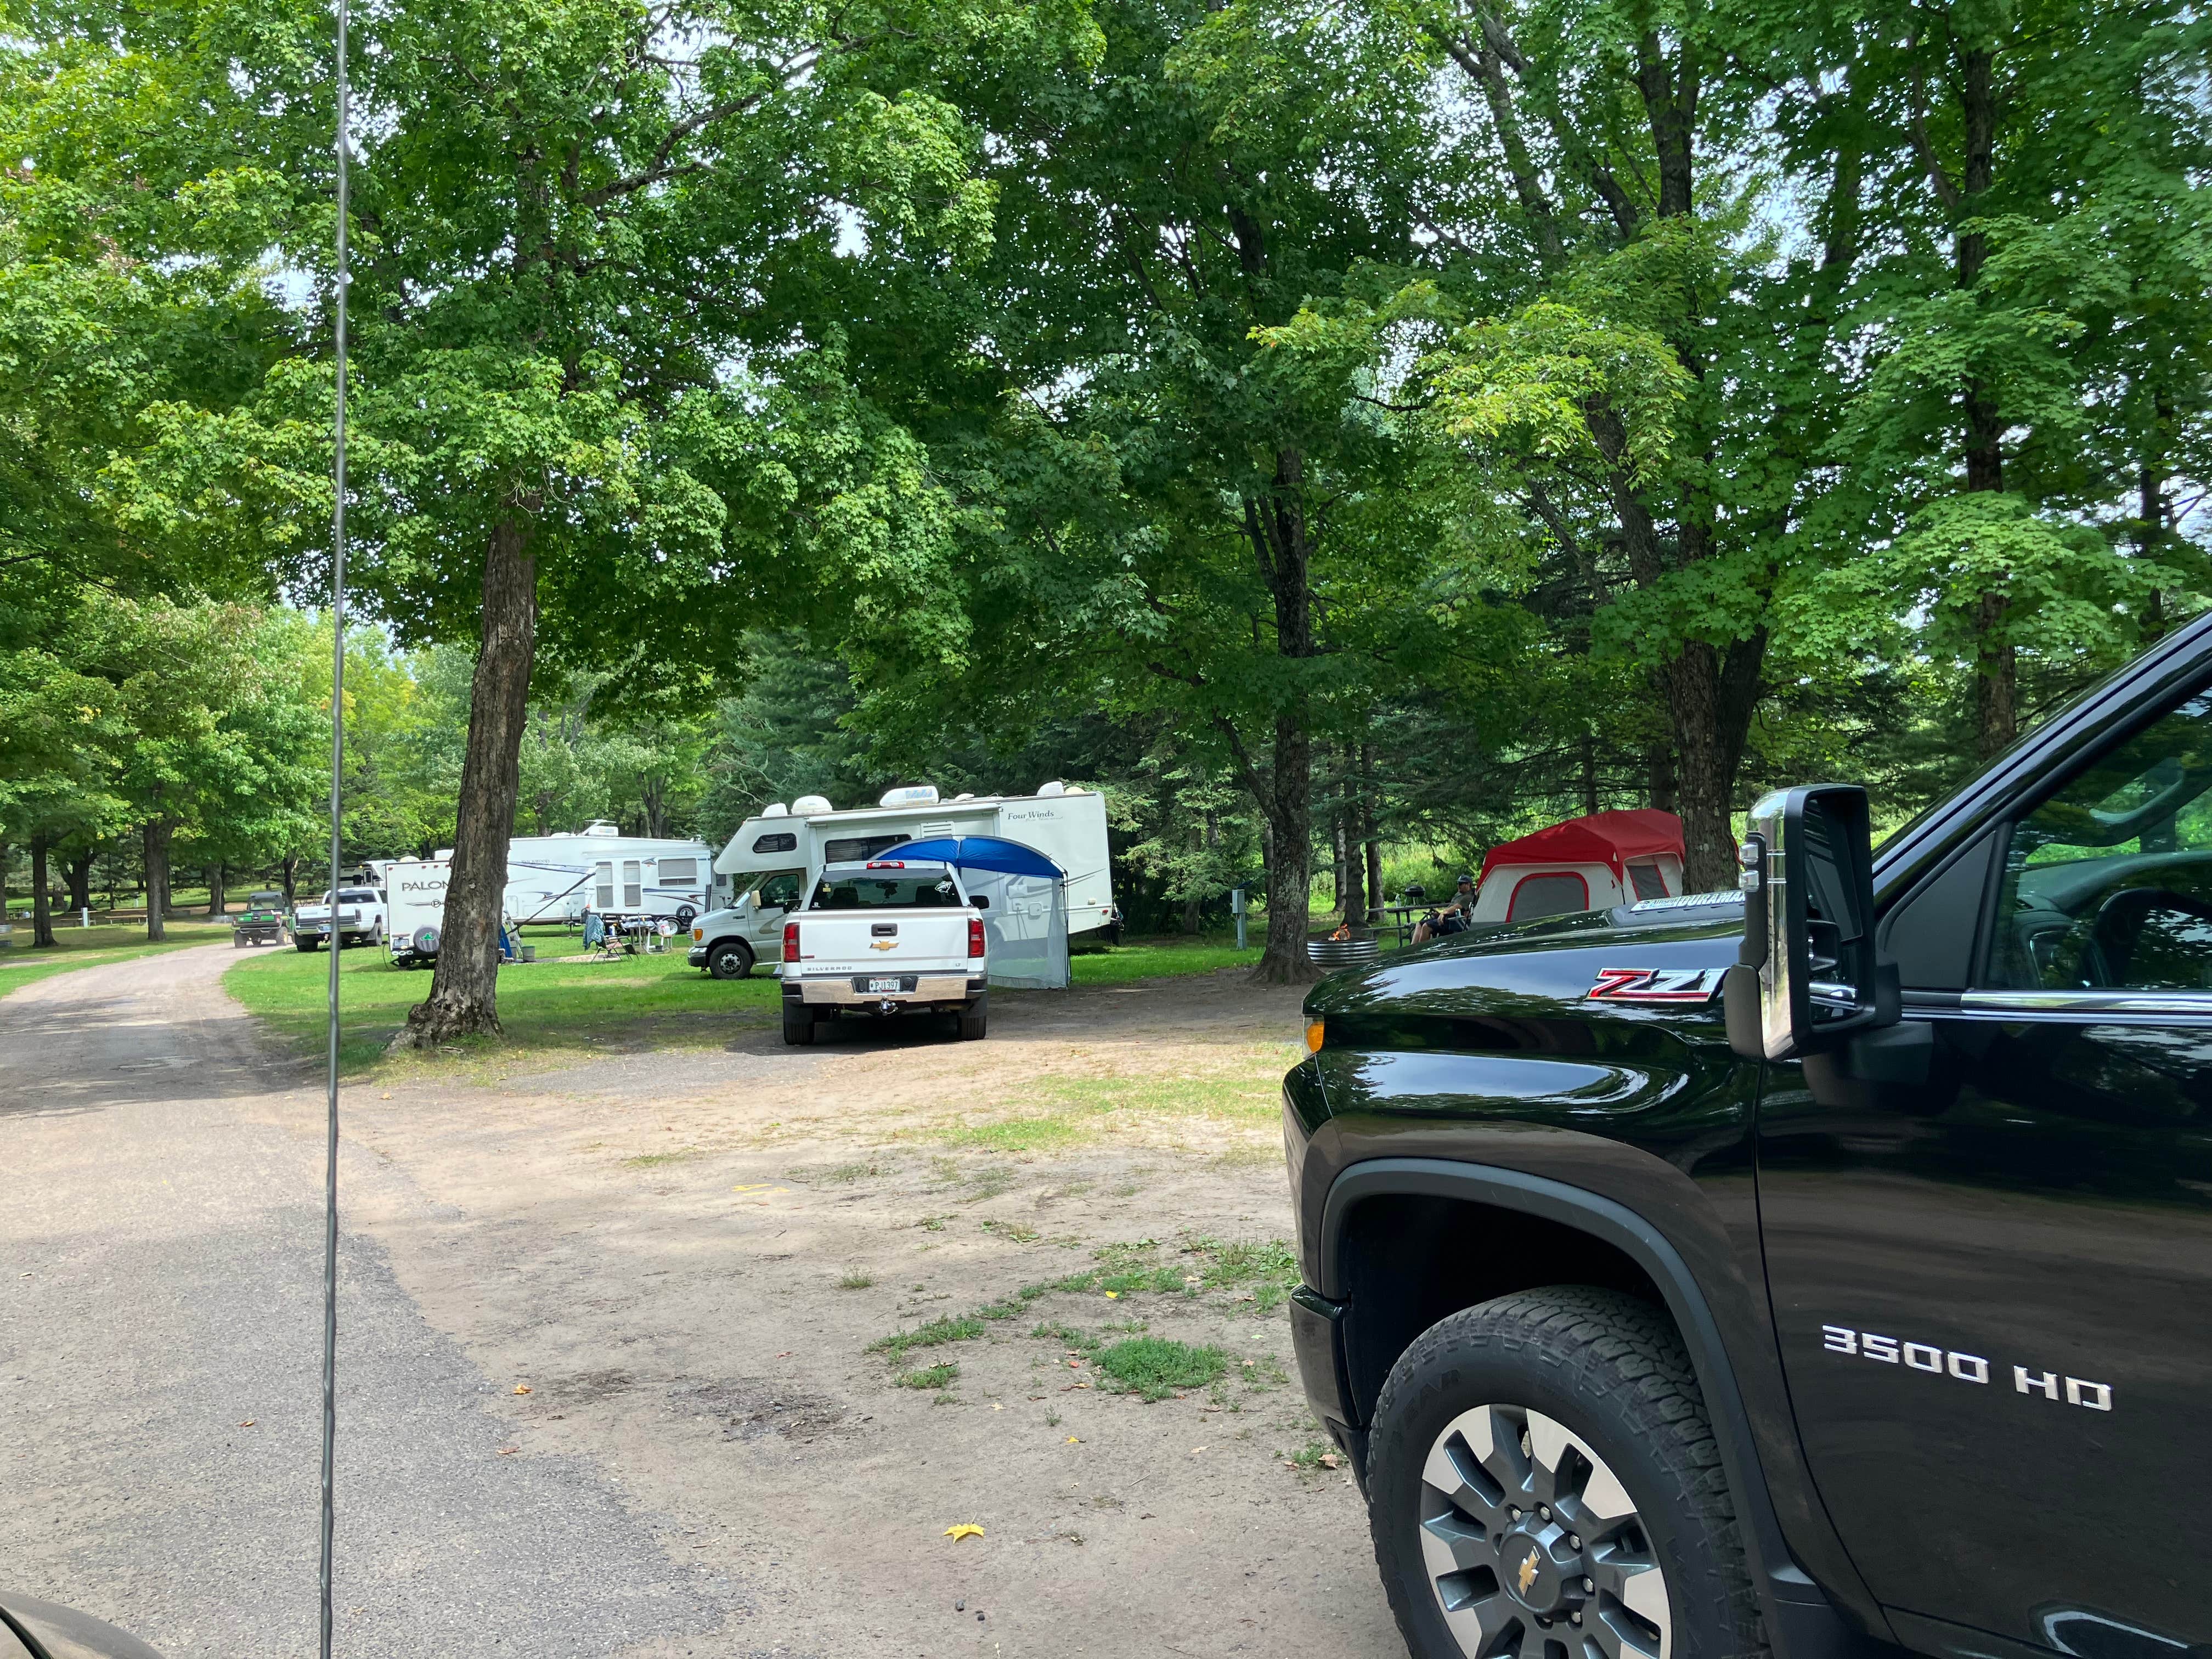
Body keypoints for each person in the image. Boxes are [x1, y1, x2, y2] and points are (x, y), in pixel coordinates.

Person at [1412, 873, 1478, 945]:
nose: (1458, 886)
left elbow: (1455, 907)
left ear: (1468, 885)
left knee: (1426, 927)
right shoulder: (1459, 894)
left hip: (1452, 920)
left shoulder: (1468, 896)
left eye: (1461, 884)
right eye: (1458, 883)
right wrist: (1440, 913)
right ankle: (1412, 949)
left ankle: (1422, 952)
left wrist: (1444, 913)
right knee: (1419, 924)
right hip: (1446, 917)